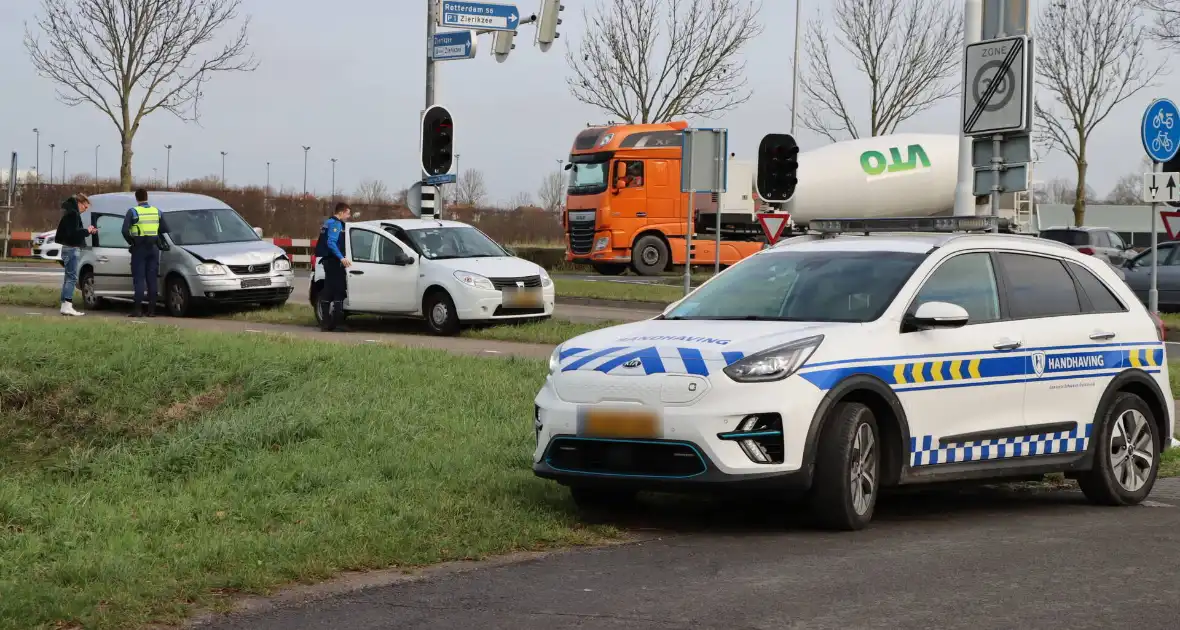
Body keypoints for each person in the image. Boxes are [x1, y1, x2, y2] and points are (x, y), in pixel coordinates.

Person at [121, 188, 168, 317]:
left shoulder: (133, 212)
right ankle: (152, 311)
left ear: (136, 198)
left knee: (139, 279)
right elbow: (164, 228)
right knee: (152, 279)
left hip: (139, 247)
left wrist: (132, 241)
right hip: (153, 248)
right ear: (147, 197)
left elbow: (125, 231)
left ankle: (137, 310)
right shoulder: (157, 211)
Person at [54, 193, 98, 316]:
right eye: (85, 206)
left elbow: (71, 232)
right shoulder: (73, 214)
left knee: (68, 277)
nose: (85, 209)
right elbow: (74, 233)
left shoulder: (70, 213)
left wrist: (87, 232)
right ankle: (67, 305)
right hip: (72, 248)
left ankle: (65, 303)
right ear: (79, 203)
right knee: (72, 278)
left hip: (67, 248)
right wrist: (87, 231)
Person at [315, 202, 352, 331]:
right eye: (348, 213)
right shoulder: (336, 224)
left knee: (329, 290)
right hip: (334, 261)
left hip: (329, 262)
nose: (349, 216)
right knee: (339, 291)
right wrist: (341, 258)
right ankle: (338, 323)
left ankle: (326, 323)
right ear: (341, 212)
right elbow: (331, 243)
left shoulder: (328, 222)